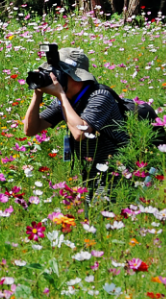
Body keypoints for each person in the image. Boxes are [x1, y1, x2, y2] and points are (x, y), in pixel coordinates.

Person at [22, 48, 129, 198]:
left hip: (118, 175)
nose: (53, 77)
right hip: (92, 176)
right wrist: (37, 94)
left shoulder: (100, 96)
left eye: (57, 72)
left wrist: (60, 95)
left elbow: (80, 133)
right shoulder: (65, 100)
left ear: (73, 75)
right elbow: (30, 130)